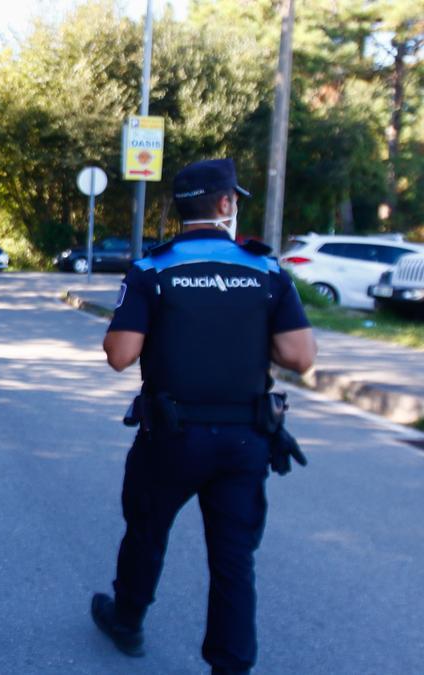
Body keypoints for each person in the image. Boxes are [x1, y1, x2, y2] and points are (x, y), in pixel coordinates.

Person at [90, 159, 317, 675]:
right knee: (234, 558)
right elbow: (301, 356)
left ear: (179, 206)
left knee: (146, 530)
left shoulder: (152, 269)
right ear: (225, 204)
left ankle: (127, 622)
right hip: (245, 438)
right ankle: (231, 667)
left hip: (170, 436)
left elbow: (121, 354)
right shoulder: (266, 270)